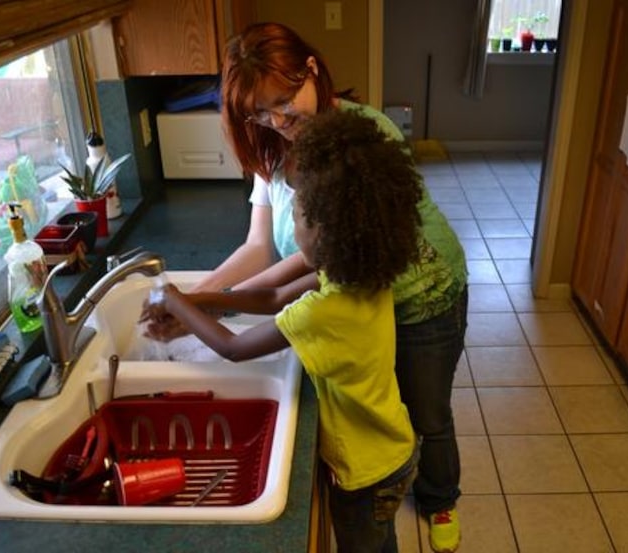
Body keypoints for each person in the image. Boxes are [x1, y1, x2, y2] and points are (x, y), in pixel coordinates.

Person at [148, 22, 468, 553]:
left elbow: (278, 294)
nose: (276, 120)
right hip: (366, 306)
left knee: (428, 413)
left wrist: (189, 302)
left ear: (312, 71)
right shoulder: (332, 256)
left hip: (426, 294)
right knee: (392, 415)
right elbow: (265, 257)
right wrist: (200, 298)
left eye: (283, 101)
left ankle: (441, 498)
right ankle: (410, 477)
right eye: (259, 112)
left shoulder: (362, 140)